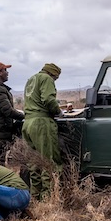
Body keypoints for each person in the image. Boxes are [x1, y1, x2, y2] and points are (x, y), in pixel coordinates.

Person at [22, 63, 63, 201]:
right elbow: (48, 99)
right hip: (41, 123)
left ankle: (35, 195)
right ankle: (48, 198)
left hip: (27, 123)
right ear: (53, 74)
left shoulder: (31, 79)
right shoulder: (47, 79)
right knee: (48, 161)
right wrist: (59, 111)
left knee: (34, 162)